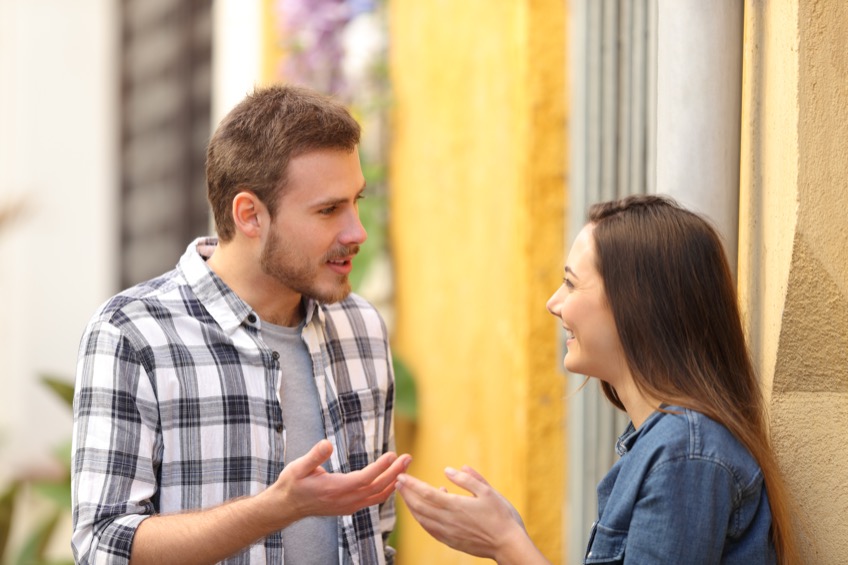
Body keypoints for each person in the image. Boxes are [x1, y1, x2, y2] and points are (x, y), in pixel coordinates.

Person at [71, 84, 411, 565]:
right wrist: (273, 511)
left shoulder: (362, 329)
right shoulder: (132, 334)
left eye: (356, 201)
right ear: (250, 215)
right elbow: (104, 545)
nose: (357, 231)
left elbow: (375, 533)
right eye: (329, 210)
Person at [396, 195, 799, 564]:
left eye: (571, 283)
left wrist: (507, 543)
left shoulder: (684, 454)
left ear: (635, 304)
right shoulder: (667, 443)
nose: (553, 303)